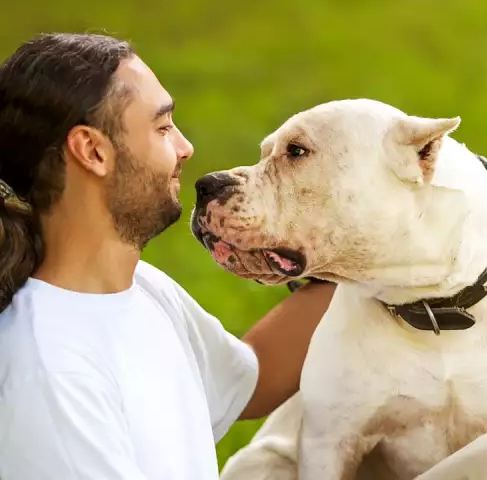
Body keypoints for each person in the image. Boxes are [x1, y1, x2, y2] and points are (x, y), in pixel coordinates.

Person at [0, 33, 335, 480]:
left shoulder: (141, 288)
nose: (185, 147)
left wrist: (369, 256)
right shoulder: (50, 373)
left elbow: (251, 379)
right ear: (92, 151)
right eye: (162, 128)